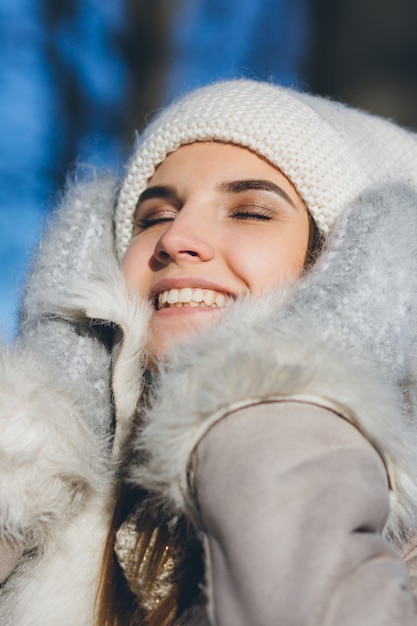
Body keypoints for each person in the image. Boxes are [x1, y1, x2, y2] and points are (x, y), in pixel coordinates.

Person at [2, 79, 417, 625]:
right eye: (152, 217)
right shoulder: (66, 534)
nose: (176, 238)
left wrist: (280, 390)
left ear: (356, 270)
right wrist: (30, 451)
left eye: (250, 211)